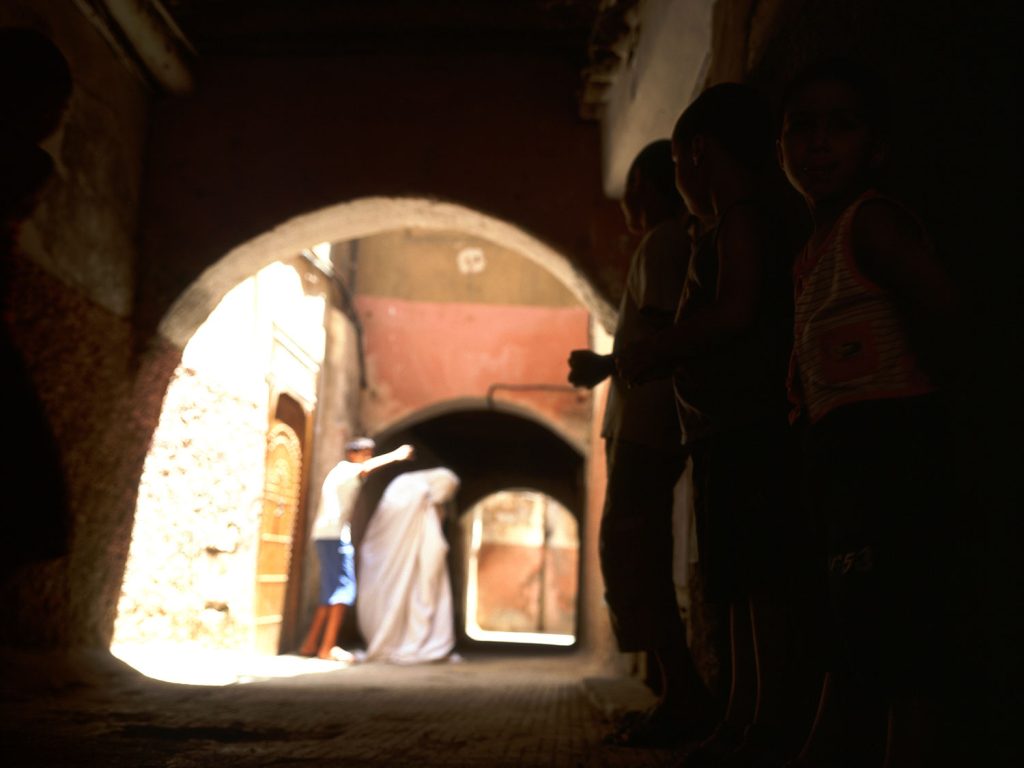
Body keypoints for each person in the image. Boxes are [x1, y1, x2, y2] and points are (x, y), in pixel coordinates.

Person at [617, 84, 818, 767]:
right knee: (736, 580)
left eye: (677, 164)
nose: (680, 182)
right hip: (723, 431)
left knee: (757, 582)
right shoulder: (735, 220)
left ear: (698, 153)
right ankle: (739, 715)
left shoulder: (740, 220)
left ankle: (760, 721)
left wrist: (658, 348)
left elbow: (734, 314)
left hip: (746, 428)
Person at [777, 58, 962, 768]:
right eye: (801, 129)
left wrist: (923, 405)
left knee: (903, 632)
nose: (818, 145)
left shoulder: (873, 223)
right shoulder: (811, 251)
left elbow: (944, 310)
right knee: (850, 621)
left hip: (893, 443)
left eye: (841, 126)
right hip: (842, 449)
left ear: (876, 148)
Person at [568, 140, 714, 747]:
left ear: (653, 188)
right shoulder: (665, 243)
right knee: (639, 556)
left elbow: (659, 333)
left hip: (648, 426)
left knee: (631, 555)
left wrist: (605, 364)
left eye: (634, 188)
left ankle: (682, 694)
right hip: (645, 424)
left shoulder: (663, 243)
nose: (628, 202)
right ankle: (676, 693)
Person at [299, 437, 414, 661]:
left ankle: (311, 644)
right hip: (334, 537)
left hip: (326, 535)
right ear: (352, 454)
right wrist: (397, 455)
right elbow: (365, 468)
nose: (368, 458)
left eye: (370, 453)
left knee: (330, 592)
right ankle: (327, 648)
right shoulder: (345, 470)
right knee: (343, 591)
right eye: (364, 453)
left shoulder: (341, 474)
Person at [356, 467, 460, 664]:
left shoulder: (411, 490)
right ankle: (402, 640)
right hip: (394, 557)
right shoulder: (415, 490)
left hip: (414, 561)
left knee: (415, 595)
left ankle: (409, 638)